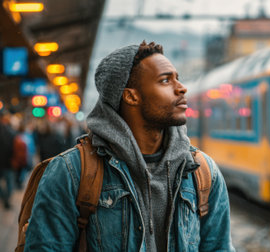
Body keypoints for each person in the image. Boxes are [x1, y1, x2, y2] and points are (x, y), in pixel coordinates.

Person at [25, 41, 235, 251]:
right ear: (131, 96)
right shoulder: (71, 173)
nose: (181, 88)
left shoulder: (203, 173)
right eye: (165, 80)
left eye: (177, 79)